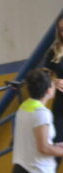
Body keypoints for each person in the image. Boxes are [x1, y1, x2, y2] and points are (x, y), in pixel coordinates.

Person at [12, 68, 63, 173]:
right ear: (49, 90)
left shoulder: (24, 107)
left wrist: (55, 146)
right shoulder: (41, 113)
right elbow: (44, 148)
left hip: (21, 171)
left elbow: (34, 141)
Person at [44, 15, 63, 150]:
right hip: (60, 107)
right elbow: (44, 75)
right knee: (57, 147)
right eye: (61, 30)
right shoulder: (55, 51)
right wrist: (53, 81)